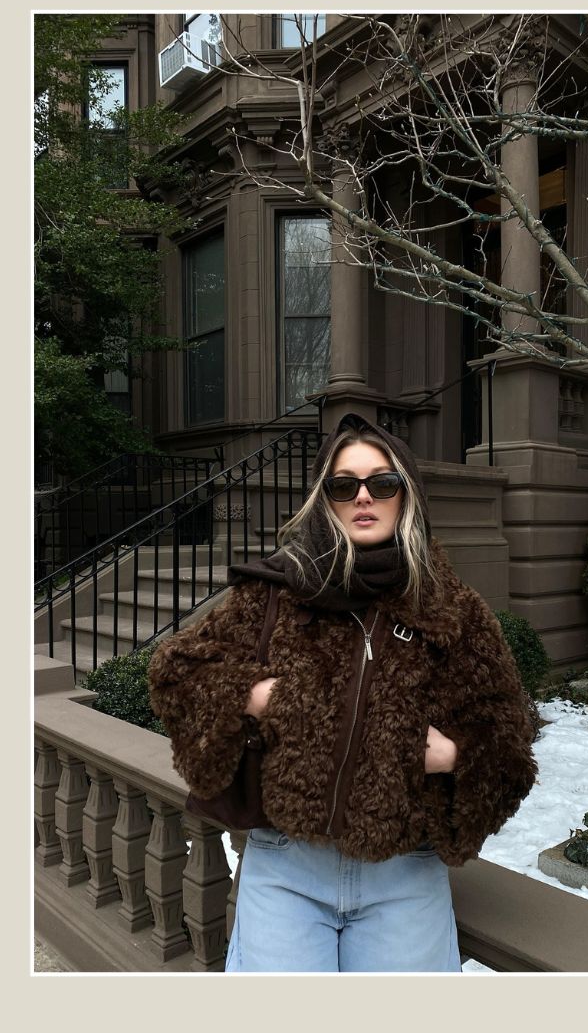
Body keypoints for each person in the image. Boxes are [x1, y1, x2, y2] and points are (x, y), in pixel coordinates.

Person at [148, 413, 538, 972]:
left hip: (404, 872)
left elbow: (510, 738)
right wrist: (252, 697)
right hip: (286, 866)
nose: (364, 496)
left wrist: (457, 755)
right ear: (324, 499)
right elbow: (177, 672)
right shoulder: (277, 592)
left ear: (406, 495)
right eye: (343, 484)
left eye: (382, 482)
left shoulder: (452, 610)